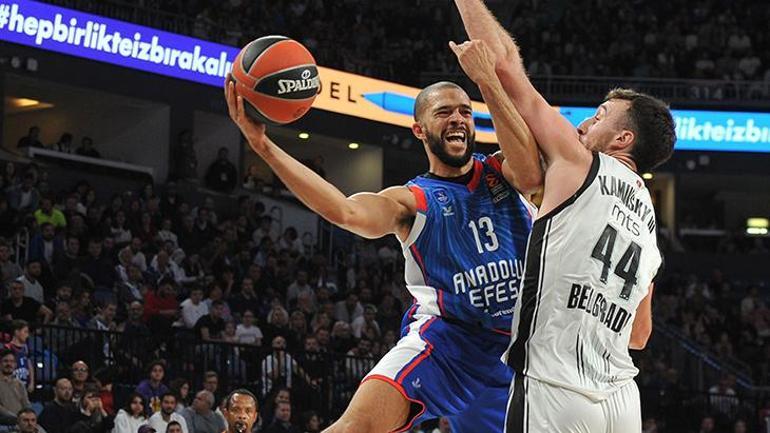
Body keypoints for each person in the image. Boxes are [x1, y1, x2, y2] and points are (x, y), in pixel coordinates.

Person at [226, 52, 540, 432]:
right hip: (446, 345)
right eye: (443, 113)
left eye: (464, 112)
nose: (457, 118)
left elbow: (530, 161)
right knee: (354, 428)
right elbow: (346, 212)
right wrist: (262, 147)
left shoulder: (507, 172)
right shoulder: (411, 200)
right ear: (419, 130)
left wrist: (489, 83)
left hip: (517, 352)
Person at [453, 1, 676, 432]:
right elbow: (639, 335)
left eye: (597, 118)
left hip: (555, 384)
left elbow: (507, 72)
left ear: (622, 139)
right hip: (620, 398)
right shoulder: (649, 222)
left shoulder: (580, 163)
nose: (581, 127)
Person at [3, 320, 35, 394]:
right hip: (12, 386)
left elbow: (29, 365)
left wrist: (32, 382)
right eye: (25, 332)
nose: (27, 335)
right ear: (17, 332)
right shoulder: (8, 347)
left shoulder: (26, 348)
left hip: (25, 386)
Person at [0, 350, 30, 426]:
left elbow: (26, 404)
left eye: (12, 361)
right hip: (5, 423)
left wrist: (28, 416)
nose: (9, 364)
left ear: (15, 365)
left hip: (21, 422)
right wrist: (17, 418)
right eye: (5, 361)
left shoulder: (19, 384)